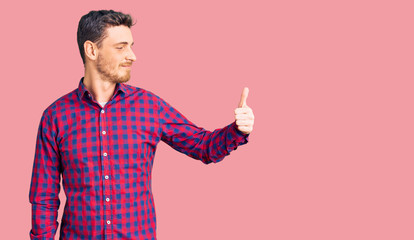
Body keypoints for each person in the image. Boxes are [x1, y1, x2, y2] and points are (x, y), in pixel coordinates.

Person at [28, 9, 254, 240]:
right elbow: (43, 197)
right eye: (121, 47)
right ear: (91, 50)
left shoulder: (149, 107)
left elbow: (203, 146)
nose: (132, 56)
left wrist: (237, 130)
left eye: (131, 45)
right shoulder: (55, 117)